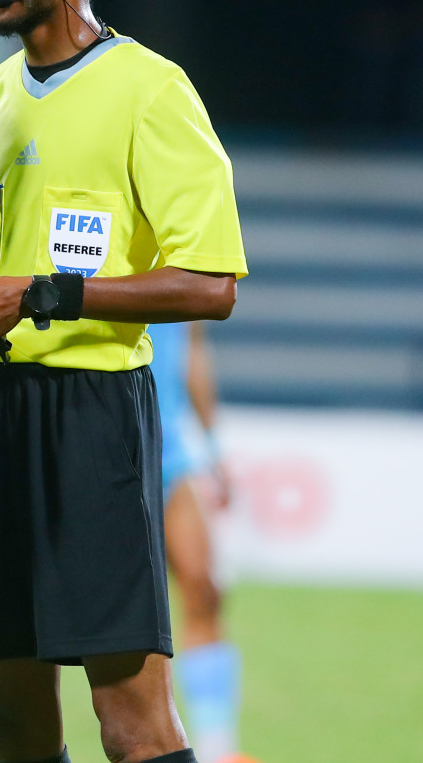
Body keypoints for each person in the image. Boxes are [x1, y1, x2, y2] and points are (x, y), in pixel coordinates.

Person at [0, 0, 247, 763]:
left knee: (131, 723)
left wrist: (39, 295)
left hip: (93, 416)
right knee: (13, 718)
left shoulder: (152, 90)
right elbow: (4, 261)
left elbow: (210, 285)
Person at [148, 322, 251, 763]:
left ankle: (216, 750)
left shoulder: (180, 267)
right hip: (103, 450)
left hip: (169, 453)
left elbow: (192, 353)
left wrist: (212, 447)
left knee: (205, 589)